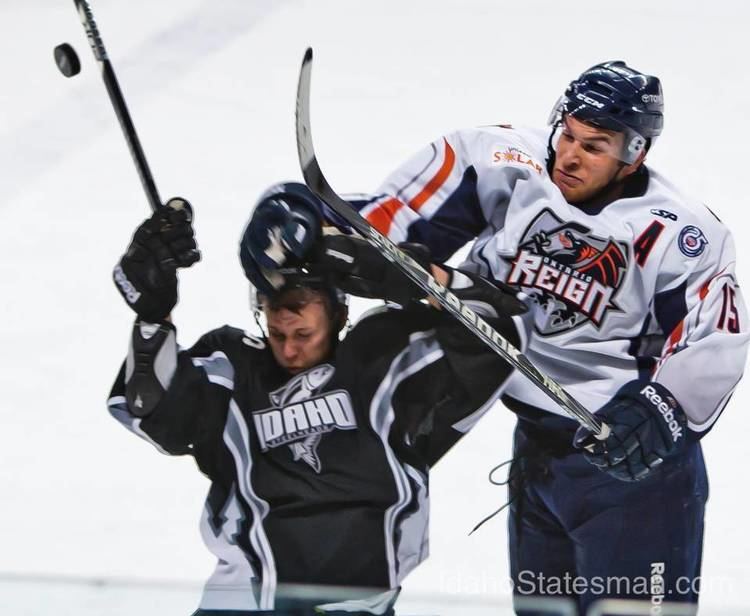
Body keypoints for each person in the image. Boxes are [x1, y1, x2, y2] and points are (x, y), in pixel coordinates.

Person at [257, 62, 750, 613]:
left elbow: (716, 337)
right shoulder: (505, 162)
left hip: (634, 480)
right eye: (566, 133)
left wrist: (664, 408)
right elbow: (395, 218)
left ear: (634, 154)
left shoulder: (679, 234)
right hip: (537, 457)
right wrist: (319, 233)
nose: (568, 154)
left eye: (594, 145)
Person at [107, 183, 527, 615]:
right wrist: (153, 318)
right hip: (240, 599)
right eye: (277, 332)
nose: (288, 350)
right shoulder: (234, 366)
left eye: (303, 333)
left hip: (354, 605)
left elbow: (506, 333)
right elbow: (150, 411)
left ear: (339, 310)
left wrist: (401, 272)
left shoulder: (384, 355)